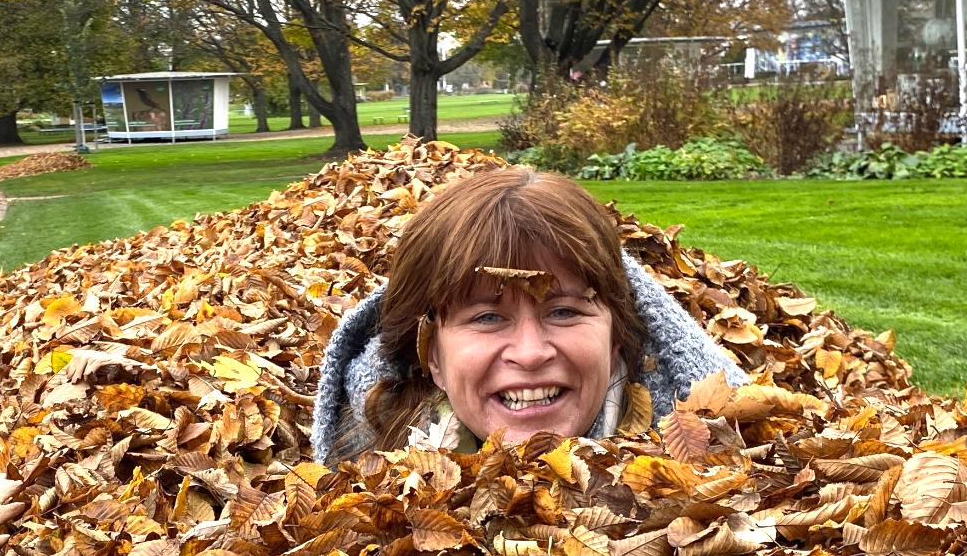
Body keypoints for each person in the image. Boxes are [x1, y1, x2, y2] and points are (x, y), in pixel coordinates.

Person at [312, 167, 747, 464]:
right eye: (487, 318)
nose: (531, 354)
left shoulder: (731, 462)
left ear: (616, 334)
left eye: (563, 311)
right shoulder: (358, 481)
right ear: (432, 356)